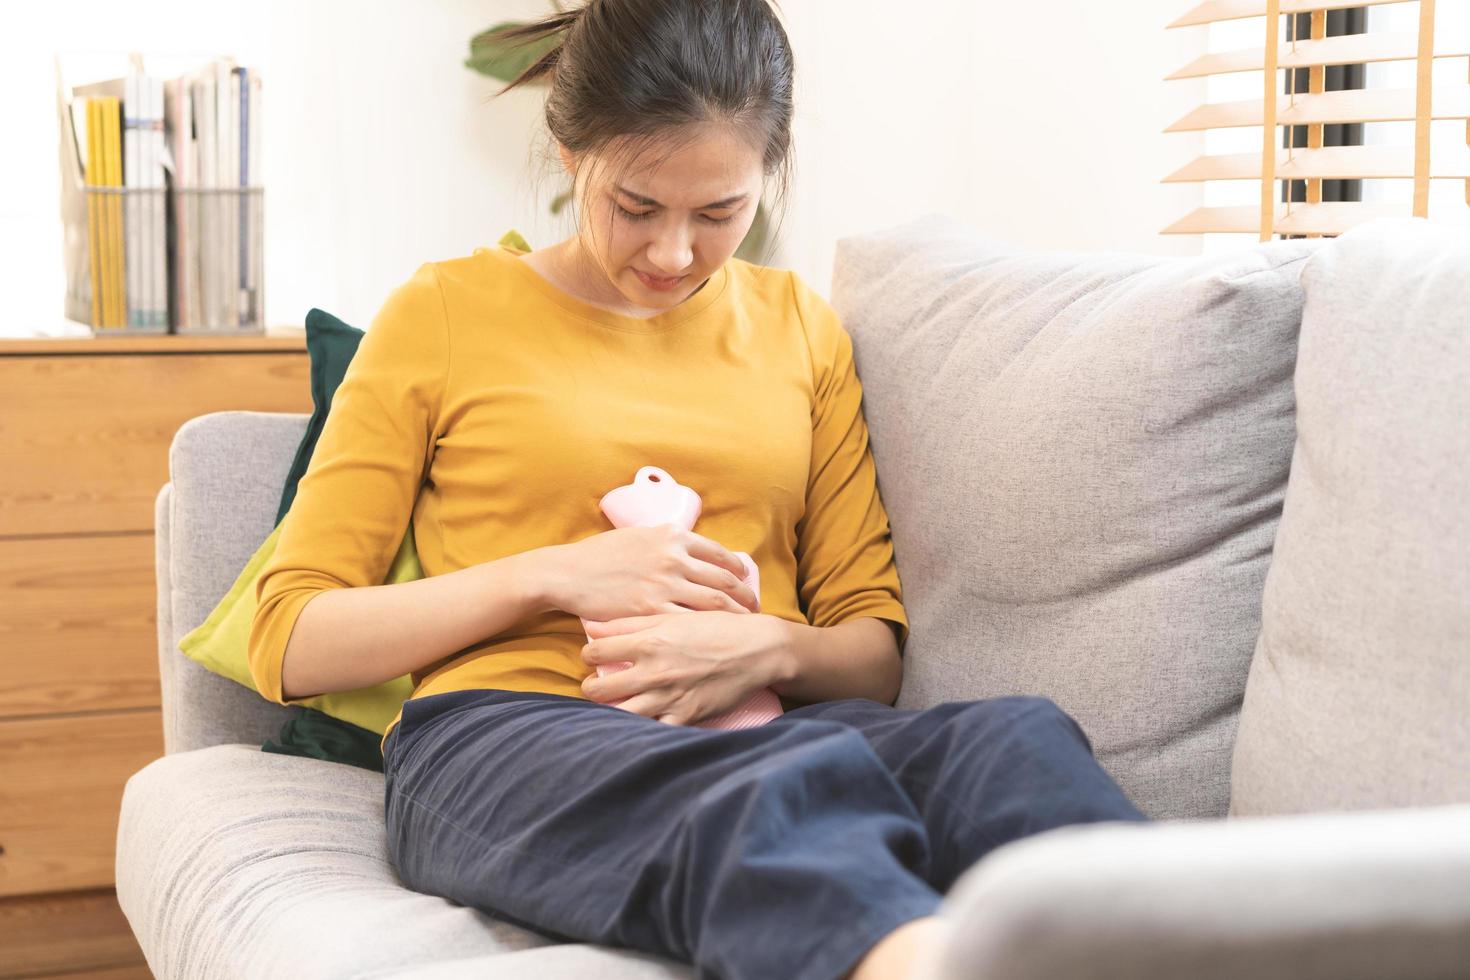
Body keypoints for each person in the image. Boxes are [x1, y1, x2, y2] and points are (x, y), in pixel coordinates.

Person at [246, 2, 1150, 978]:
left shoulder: (799, 325)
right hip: (509, 730)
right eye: (636, 205)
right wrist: (555, 575)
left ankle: (1183, 942)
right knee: (770, 797)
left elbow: (871, 652)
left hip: (772, 721)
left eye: (721, 213)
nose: (674, 253)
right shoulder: (445, 311)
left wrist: (756, 645)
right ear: (566, 150)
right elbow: (290, 636)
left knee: (1010, 741)